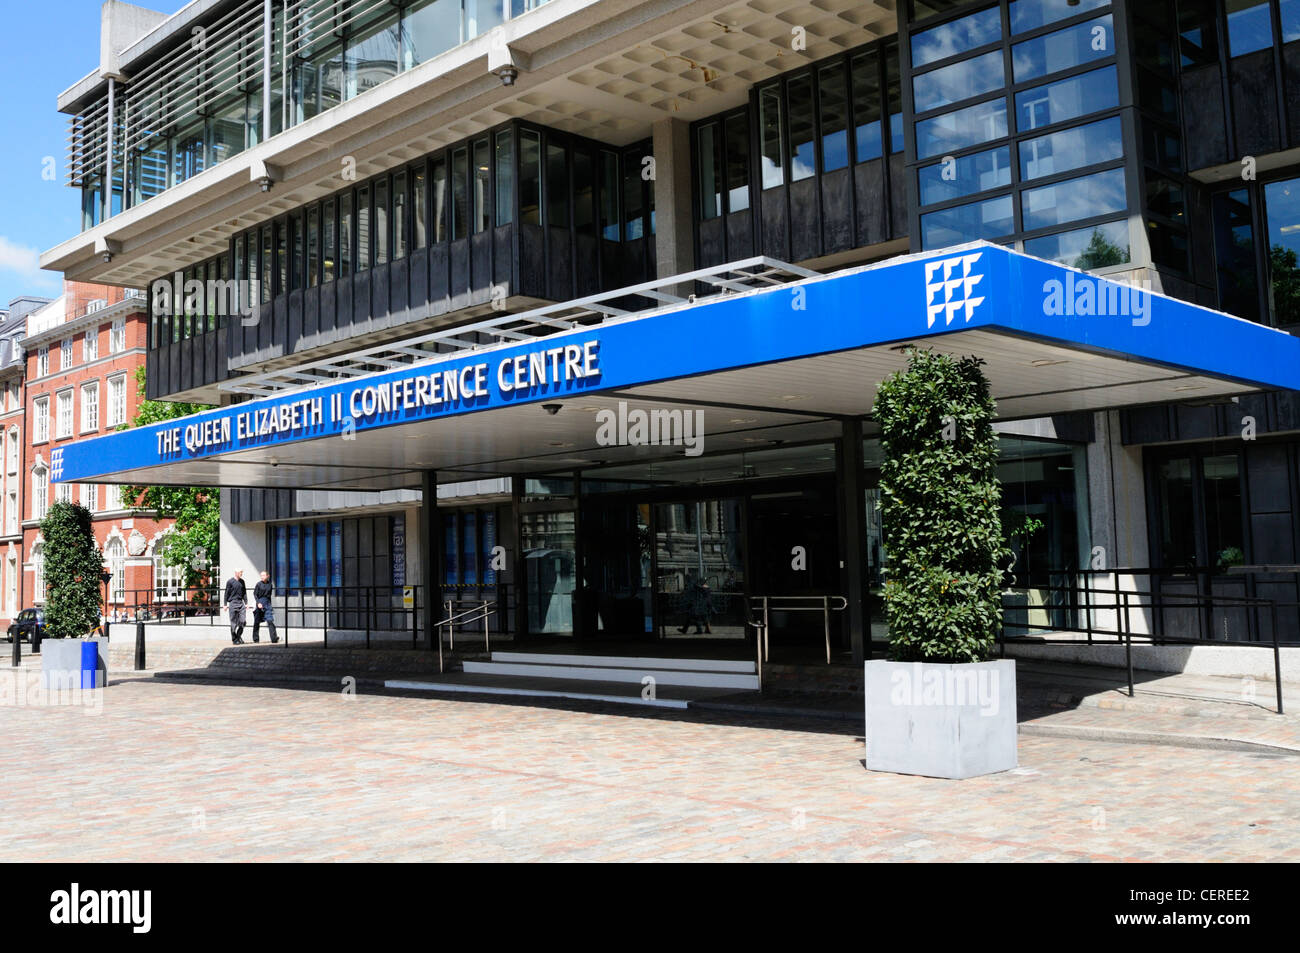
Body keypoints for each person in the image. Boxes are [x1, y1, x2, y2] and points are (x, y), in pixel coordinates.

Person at [252, 570, 278, 644]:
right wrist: (258, 603)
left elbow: (269, 596)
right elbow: (255, 594)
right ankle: (256, 639)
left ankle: (274, 639)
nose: (262, 577)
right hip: (259, 603)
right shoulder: (258, 584)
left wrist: (270, 605)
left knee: (270, 620)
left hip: (267, 603)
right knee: (257, 622)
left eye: (263, 575)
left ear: (267, 576)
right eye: (261, 575)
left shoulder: (270, 584)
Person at [223, 569, 248, 644]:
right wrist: (225, 604)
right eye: (240, 572)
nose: (241, 574)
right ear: (236, 573)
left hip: (241, 602)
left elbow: (244, 593)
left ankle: (238, 636)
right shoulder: (230, 582)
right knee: (233, 623)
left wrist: (246, 603)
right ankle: (234, 639)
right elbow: (226, 593)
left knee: (243, 622)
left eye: (242, 572)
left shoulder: (242, 581)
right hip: (232, 603)